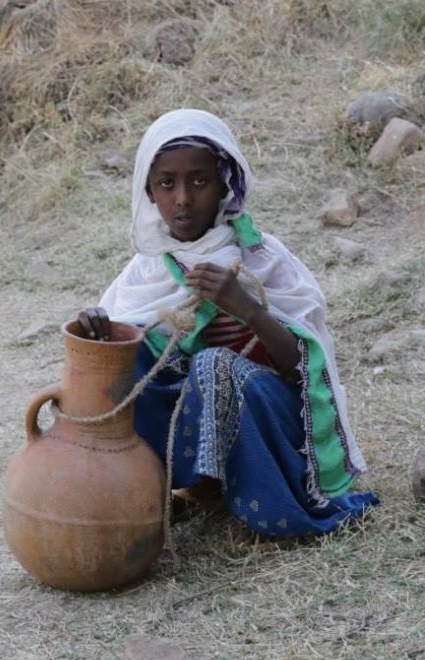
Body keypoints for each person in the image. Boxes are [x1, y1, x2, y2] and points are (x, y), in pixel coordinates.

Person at [78, 108, 379, 537]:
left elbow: (305, 368)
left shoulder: (263, 259)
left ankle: (262, 499)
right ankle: (157, 490)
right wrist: (98, 330)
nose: (182, 198)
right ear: (149, 192)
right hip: (189, 428)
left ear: (225, 183)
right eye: (167, 184)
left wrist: (249, 310)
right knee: (127, 352)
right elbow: (129, 354)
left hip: (275, 426)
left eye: (199, 181)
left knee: (216, 364)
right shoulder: (145, 272)